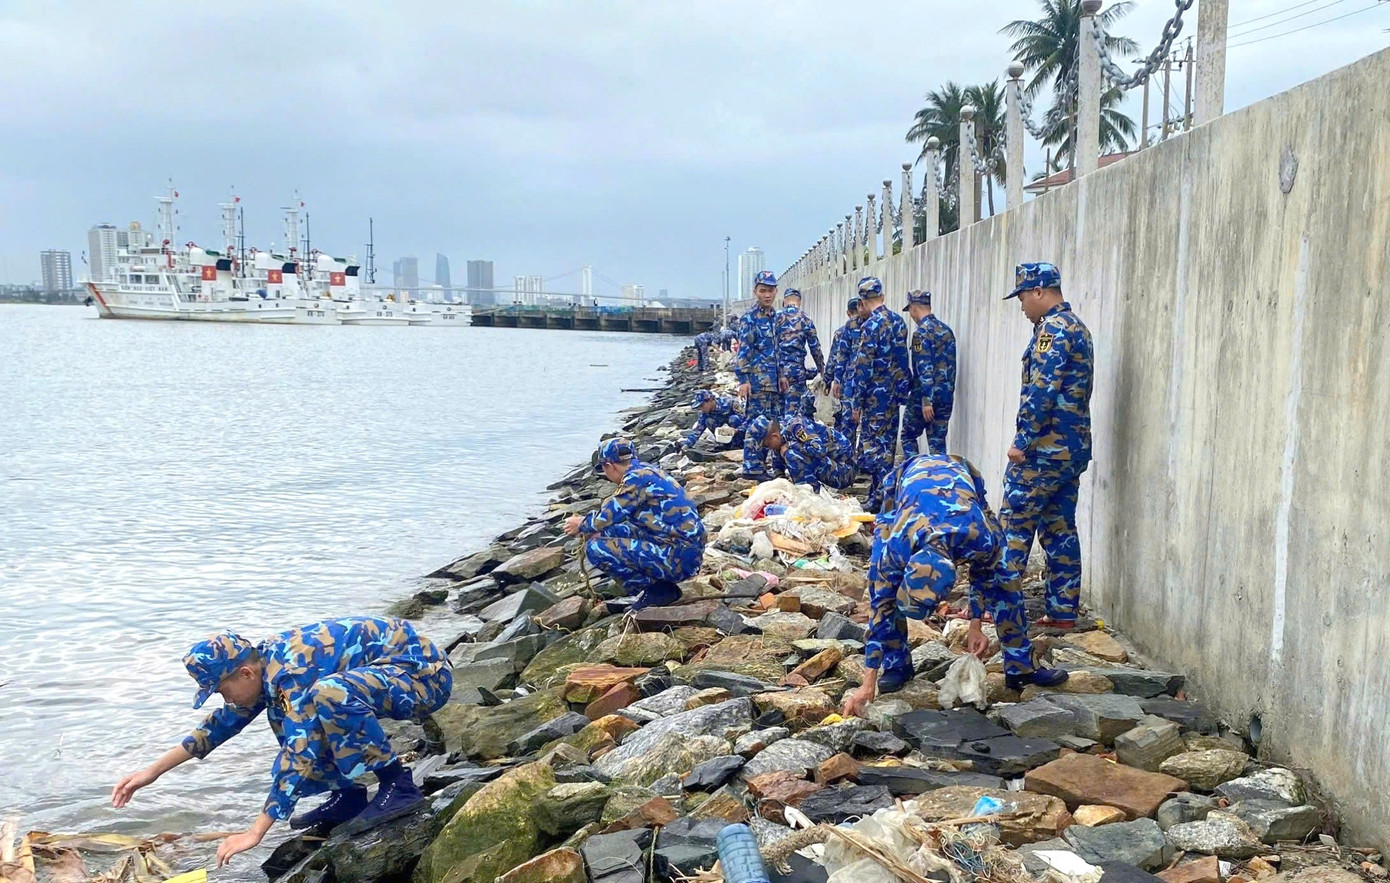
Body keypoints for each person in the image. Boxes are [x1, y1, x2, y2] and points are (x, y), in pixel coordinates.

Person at [111, 617, 453, 866]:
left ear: (244, 673)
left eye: (222, 691)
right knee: (288, 713)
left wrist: (255, 832)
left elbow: (299, 755)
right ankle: (348, 795)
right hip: (393, 675)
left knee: (325, 697)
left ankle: (398, 786)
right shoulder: (263, 668)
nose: (224, 700)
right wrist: (150, 773)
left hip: (425, 675)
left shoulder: (290, 672)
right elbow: (219, 726)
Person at [840, 455, 1069, 717]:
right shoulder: (894, 551)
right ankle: (897, 665)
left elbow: (984, 574)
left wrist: (975, 625)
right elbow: (880, 609)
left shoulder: (980, 537)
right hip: (904, 482)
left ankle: (1021, 668)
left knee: (1007, 580)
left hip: (963, 476)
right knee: (881, 593)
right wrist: (867, 683)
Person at [997, 262, 1094, 629]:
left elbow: (1042, 390)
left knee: (1014, 525)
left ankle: (999, 609)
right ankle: (1062, 610)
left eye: (1022, 296)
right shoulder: (1077, 327)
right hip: (1071, 450)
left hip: (1043, 450)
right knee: (1059, 528)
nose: (1021, 304)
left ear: (1039, 291)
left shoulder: (1052, 330)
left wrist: (1021, 441)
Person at [564, 438, 706, 610]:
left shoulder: (634, 479)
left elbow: (604, 518)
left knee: (595, 548)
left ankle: (658, 591)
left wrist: (580, 523)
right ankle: (658, 587)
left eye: (603, 468)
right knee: (608, 533)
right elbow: (608, 522)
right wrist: (594, 528)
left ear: (610, 465)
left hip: (678, 559)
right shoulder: (646, 471)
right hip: (683, 549)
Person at [846, 277, 911, 512]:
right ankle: (879, 495)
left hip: (874, 397)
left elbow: (863, 367)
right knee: (888, 446)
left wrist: (856, 402)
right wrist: (903, 390)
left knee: (874, 449)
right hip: (893, 395)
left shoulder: (870, 326)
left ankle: (884, 496)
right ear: (882, 297)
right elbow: (904, 360)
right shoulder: (899, 322)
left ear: (862, 302)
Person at [734, 270, 786, 479]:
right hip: (757, 382)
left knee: (773, 424)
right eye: (763, 290)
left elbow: (777, 349)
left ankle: (769, 466)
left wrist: (781, 375)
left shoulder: (775, 316)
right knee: (756, 425)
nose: (767, 295)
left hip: (774, 382)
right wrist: (743, 380)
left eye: (771, 290)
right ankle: (752, 468)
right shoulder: (749, 319)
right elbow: (744, 351)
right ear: (755, 291)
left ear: (776, 292)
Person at [900, 290, 957, 459]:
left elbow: (925, 368)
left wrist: (926, 400)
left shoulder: (921, 333)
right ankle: (939, 479)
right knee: (937, 443)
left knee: (908, 436)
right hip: (945, 397)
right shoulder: (947, 331)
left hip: (925, 398)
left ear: (913, 308)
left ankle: (916, 473)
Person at [745, 412, 855, 493]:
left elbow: (818, 450)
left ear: (774, 436)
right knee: (787, 453)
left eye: (767, 445)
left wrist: (790, 446)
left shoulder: (797, 428)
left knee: (791, 455)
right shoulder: (781, 439)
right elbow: (777, 467)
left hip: (844, 471)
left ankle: (810, 497)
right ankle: (808, 492)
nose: (768, 448)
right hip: (832, 467)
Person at [775, 289, 826, 416]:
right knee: (793, 412)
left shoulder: (775, 318)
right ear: (800, 302)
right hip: (796, 372)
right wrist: (822, 370)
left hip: (776, 371)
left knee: (776, 413)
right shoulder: (805, 319)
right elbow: (815, 348)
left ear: (783, 302)